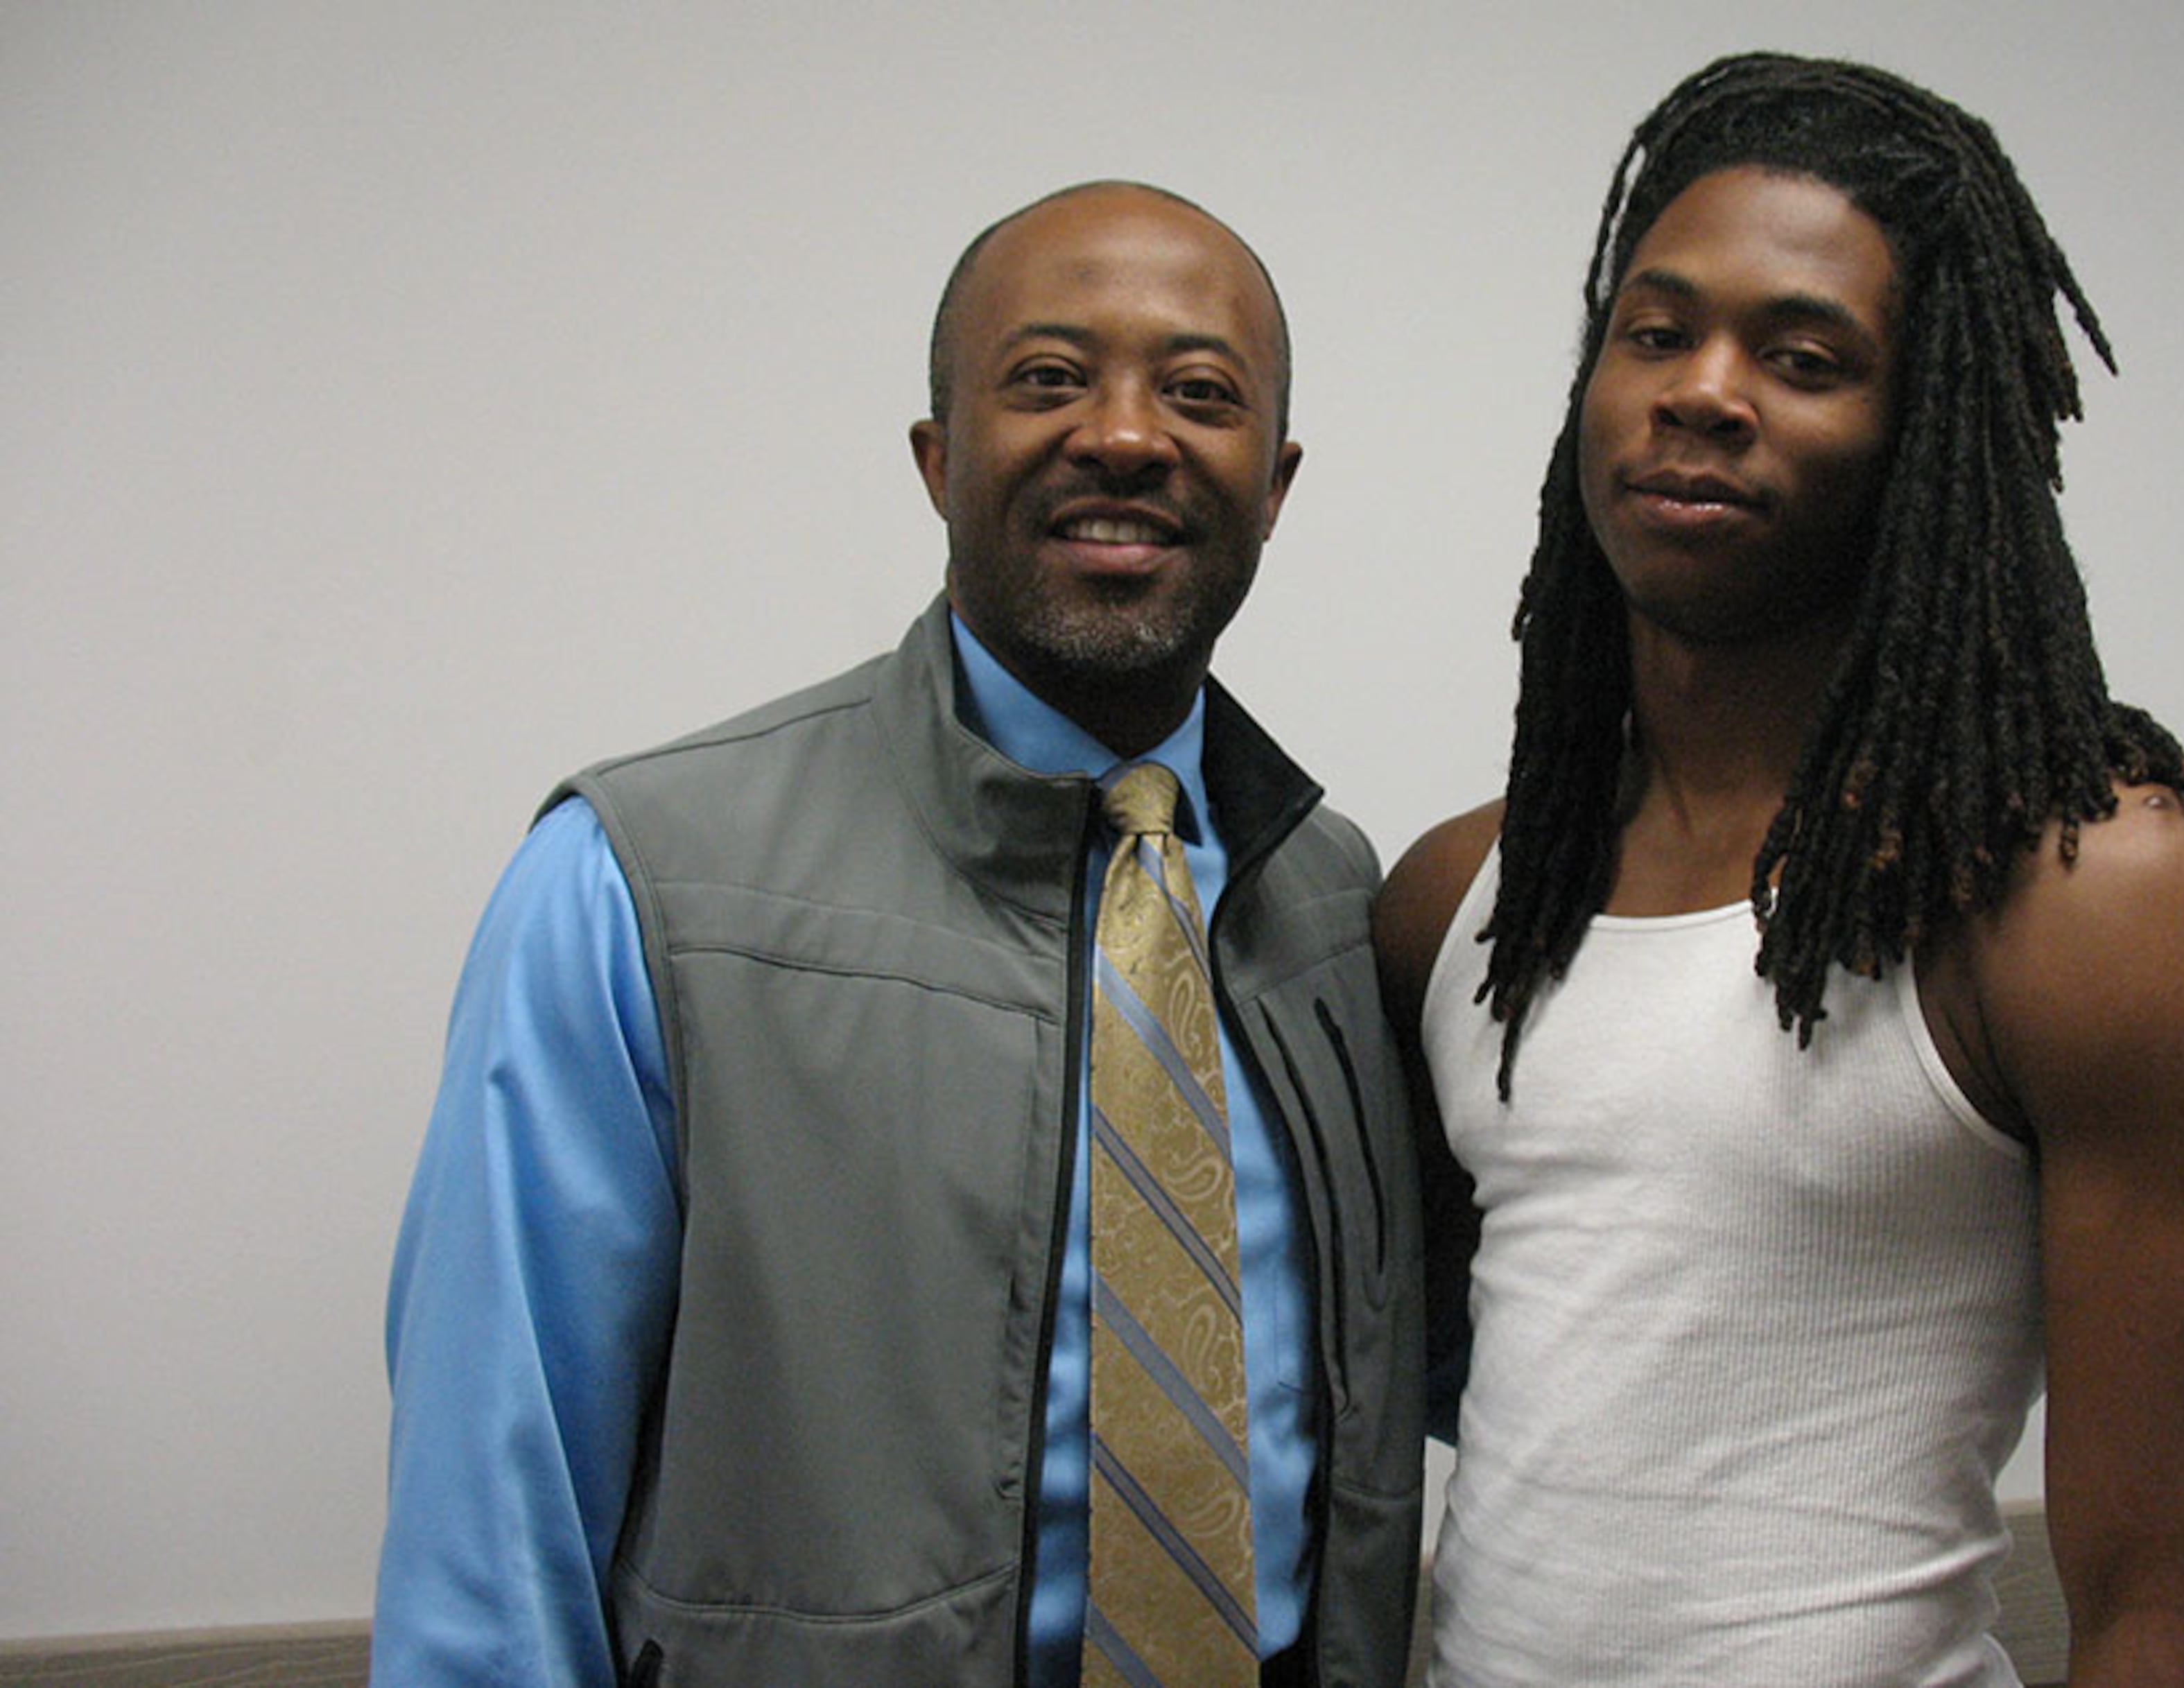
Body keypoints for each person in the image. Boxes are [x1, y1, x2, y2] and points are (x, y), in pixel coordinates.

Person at [375, 181, 1425, 1687]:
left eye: (1200, 394)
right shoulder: (639, 888)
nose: (1125, 435)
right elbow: (491, 1526)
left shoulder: (1327, 901)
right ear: (939, 461)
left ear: (1274, 484)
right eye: (1048, 378)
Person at [1377, 55, 2184, 1687]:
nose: (1703, 390)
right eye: (1653, 333)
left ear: (1927, 431)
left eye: (1802, 357)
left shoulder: (2093, 899)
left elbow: (2181, 1610)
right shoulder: (1464, 904)